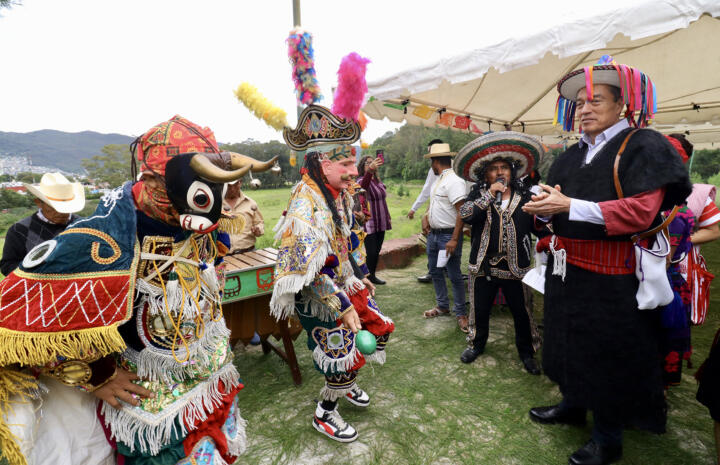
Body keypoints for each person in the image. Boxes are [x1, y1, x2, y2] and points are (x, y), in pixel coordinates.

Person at [0, 116, 279, 465]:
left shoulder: (198, 227)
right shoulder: (93, 240)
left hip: (212, 378)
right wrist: (96, 374)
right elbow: (17, 326)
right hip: (149, 399)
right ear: (151, 181)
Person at [522, 57, 691, 465]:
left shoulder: (643, 145)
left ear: (622, 105)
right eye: (580, 103)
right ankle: (573, 404)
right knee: (566, 340)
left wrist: (570, 205)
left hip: (613, 277)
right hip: (567, 272)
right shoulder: (569, 155)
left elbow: (641, 212)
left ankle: (608, 436)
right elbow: (559, 208)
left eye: (596, 100)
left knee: (608, 351)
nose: (585, 108)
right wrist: (545, 209)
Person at [270, 104, 394, 443]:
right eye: (346, 163)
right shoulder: (304, 204)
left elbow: (349, 238)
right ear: (324, 164)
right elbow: (306, 272)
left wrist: (362, 273)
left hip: (343, 282)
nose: (354, 170)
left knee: (378, 328)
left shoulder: (338, 194)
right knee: (339, 355)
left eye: (354, 162)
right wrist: (342, 304)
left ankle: (347, 385)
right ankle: (325, 412)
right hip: (317, 295)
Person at [455, 132, 548, 374]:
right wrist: (488, 194)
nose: (500, 172)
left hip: (516, 268)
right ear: (485, 175)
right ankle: (476, 344)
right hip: (483, 266)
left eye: (504, 167)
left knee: (522, 311)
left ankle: (527, 352)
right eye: (494, 168)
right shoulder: (478, 197)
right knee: (480, 309)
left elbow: (541, 225)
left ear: (512, 172)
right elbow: (465, 214)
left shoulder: (527, 198)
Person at [421, 142, 468, 333]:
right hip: (434, 235)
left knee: (454, 275)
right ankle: (442, 305)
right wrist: (425, 217)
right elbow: (436, 205)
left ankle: (461, 313)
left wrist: (455, 239)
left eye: (431, 161)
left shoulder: (454, 181)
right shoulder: (439, 179)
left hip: (448, 235)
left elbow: (462, 212)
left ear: (435, 161)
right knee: (435, 271)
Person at [0, 172, 85, 275]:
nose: (61, 213)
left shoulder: (84, 226)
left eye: (66, 208)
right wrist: (40, 270)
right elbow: (7, 266)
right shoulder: (19, 230)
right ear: (39, 203)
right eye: (54, 208)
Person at [408, 139, 444, 283]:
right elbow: (427, 191)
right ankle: (433, 270)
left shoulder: (455, 168)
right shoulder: (433, 169)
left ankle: (441, 269)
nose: (430, 155)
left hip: (450, 212)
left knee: (444, 242)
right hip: (435, 209)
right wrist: (414, 208)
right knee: (433, 241)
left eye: (431, 151)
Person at [357, 154, 391, 285]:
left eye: (373, 162)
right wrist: (369, 172)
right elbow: (363, 187)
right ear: (362, 166)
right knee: (370, 252)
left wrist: (388, 217)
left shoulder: (377, 181)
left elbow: (383, 199)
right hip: (369, 222)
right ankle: (366, 277)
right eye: (368, 163)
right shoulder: (361, 180)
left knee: (376, 250)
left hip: (381, 221)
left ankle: (372, 276)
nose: (372, 164)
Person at [221, 178, 264, 254]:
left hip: (248, 252)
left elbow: (259, 223)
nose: (232, 189)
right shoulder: (216, 204)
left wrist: (258, 229)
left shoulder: (251, 203)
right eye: (229, 186)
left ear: (240, 183)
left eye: (235, 185)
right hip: (223, 255)